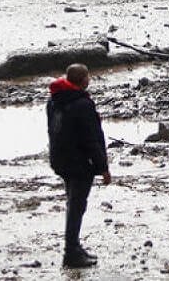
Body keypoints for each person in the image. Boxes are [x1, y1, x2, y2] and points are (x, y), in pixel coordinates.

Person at [47, 63, 111, 268]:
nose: (89, 79)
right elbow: (91, 140)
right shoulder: (82, 105)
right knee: (77, 206)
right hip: (79, 164)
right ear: (83, 80)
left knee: (72, 203)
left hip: (61, 160)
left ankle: (74, 247)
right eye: (88, 76)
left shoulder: (54, 101)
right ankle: (71, 252)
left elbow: (54, 131)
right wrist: (103, 168)